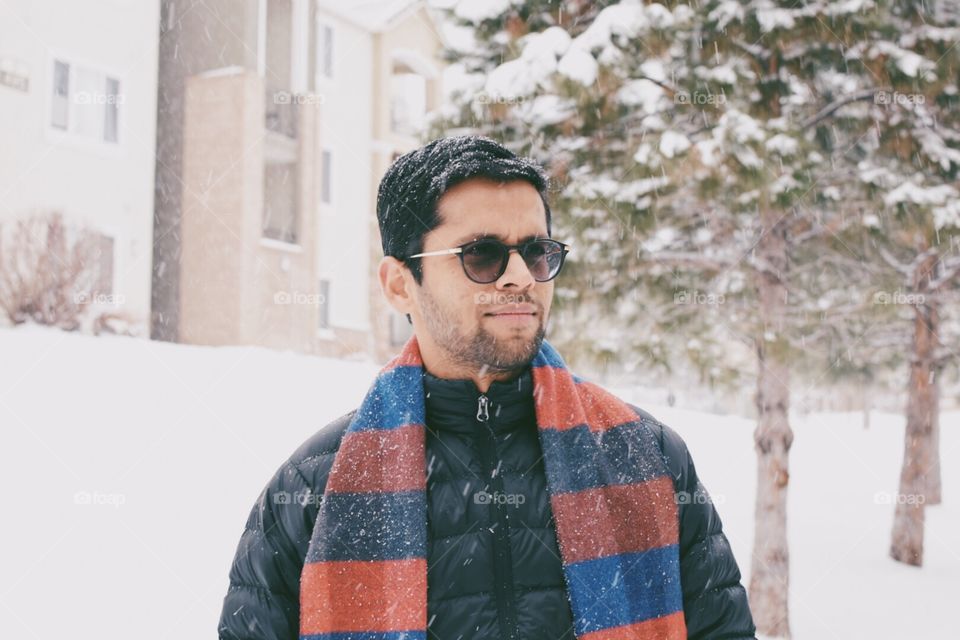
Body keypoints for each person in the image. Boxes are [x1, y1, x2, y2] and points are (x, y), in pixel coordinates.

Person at [217, 136, 757, 640]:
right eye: (482, 255)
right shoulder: (313, 487)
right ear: (400, 283)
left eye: (538, 252)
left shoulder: (646, 455)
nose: (520, 276)